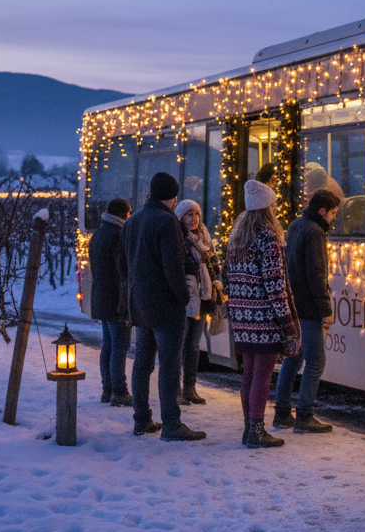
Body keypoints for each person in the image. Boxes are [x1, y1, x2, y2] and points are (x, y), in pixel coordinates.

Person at [120, 172, 206, 441]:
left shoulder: (132, 221)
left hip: (140, 304)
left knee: (142, 363)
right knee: (169, 365)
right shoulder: (167, 221)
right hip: (166, 306)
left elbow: (123, 266)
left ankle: (141, 419)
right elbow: (174, 267)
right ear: (173, 197)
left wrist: (133, 293)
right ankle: (171, 424)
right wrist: (183, 298)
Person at [226, 179, 300, 449]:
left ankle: (250, 428)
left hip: (242, 318)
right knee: (262, 376)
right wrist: (287, 322)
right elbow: (275, 284)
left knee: (249, 374)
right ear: (268, 207)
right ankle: (257, 430)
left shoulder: (238, 236)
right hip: (263, 318)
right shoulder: (268, 236)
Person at [273, 188, 340, 433]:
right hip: (309, 308)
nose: (334, 218)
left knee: (294, 358)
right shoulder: (315, 233)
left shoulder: (296, 225)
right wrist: (326, 310)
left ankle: (281, 412)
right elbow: (317, 275)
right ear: (322, 211)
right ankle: (304, 414)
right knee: (316, 361)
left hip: (294, 303)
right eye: (333, 213)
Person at [175, 198, 222, 406]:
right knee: (179, 344)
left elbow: (213, 262)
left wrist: (216, 283)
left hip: (203, 296)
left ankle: (190, 388)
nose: (193, 219)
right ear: (181, 217)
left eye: (196, 214)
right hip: (186, 297)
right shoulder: (177, 237)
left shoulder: (204, 235)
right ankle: (175, 390)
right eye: (189, 214)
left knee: (194, 345)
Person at [89, 198, 132, 406]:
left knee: (108, 345)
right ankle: (119, 391)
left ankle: (107, 389)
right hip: (116, 299)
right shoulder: (118, 235)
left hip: (101, 297)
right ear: (124, 214)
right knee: (120, 346)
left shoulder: (98, 234)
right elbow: (123, 272)